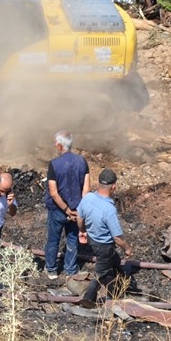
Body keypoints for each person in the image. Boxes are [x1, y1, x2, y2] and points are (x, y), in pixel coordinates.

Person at [76, 168, 132, 309]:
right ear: (114, 187)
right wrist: (127, 248)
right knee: (100, 271)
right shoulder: (109, 209)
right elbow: (117, 238)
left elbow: (79, 217)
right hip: (104, 245)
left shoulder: (87, 198)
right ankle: (88, 299)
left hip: (92, 241)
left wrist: (82, 231)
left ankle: (119, 285)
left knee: (114, 261)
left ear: (98, 182)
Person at [43, 131, 90, 280]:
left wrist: (66, 209)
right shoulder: (82, 162)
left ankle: (51, 270)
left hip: (58, 210)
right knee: (72, 239)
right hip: (77, 210)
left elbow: (54, 193)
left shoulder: (54, 164)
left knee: (53, 240)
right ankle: (70, 270)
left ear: (59, 145)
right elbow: (86, 189)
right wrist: (78, 210)